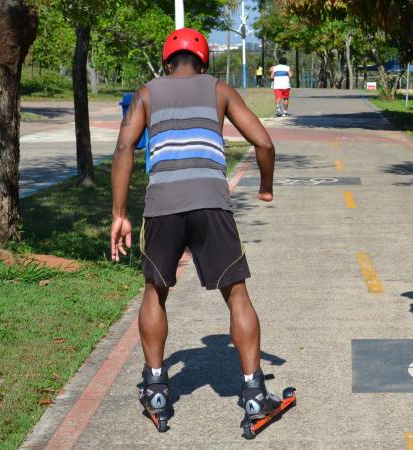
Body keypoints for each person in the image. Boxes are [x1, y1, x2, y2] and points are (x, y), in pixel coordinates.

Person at [109, 27, 280, 429]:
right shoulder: (219, 90)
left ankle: (155, 388)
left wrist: (120, 212)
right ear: (203, 62)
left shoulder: (147, 93)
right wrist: (266, 187)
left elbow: (123, 149)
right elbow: (265, 143)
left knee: (155, 290)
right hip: (210, 203)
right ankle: (255, 394)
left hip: (163, 206)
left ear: (168, 62)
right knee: (236, 292)